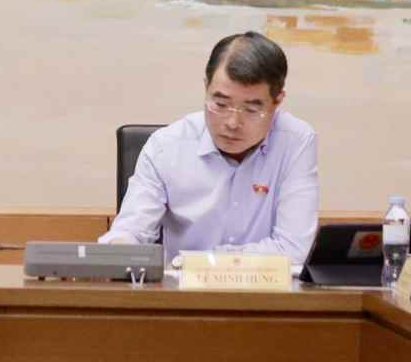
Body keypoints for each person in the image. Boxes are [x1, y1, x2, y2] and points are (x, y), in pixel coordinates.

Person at [103, 32, 320, 271]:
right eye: (220, 104)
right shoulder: (165, 146)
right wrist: (120, 247)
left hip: (268, 297)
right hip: (184, 297)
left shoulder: (296, 141)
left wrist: (206, 263)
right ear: (206, 88)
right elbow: (130, 232)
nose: (232, 123)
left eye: (250, 109)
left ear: (277, 101)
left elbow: (293, 249)